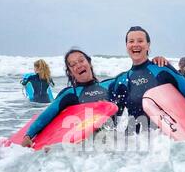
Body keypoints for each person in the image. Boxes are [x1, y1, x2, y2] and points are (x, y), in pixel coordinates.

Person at [21, 49, 168, 147]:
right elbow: (48, 114)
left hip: (116, 143)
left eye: (81, 60)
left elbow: (138, 78)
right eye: (72, 64)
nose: (78, 65)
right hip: (87, 147)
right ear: (70, 72)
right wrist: (28, 135)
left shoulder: (112, 84)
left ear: (89, 62)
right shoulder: (70, 94)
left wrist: (153, 63)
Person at [109, 26, 185, 143]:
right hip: (133, 146)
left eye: (140, 41)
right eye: (131, 41)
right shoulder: (121, 81)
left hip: (161, 144)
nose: (135, 44)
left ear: (148, 45)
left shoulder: (162, 69)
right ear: (126, 46)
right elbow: (113, 119)